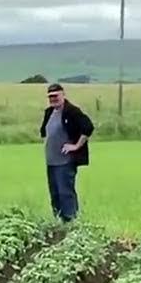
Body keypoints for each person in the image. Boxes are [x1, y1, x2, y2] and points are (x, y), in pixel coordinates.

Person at [39, 83, 95, 223]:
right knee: (55, 194)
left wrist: (76, 146)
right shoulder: (49, 112)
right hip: (51, 160)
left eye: (56, 96)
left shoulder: (72, 111)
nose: (53, 99)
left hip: (65, 161)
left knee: (66, 193)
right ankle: (59, 223)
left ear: (63, 95)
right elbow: (44, 133)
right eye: (50, 97)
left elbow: (88, 127)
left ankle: (71, 223)